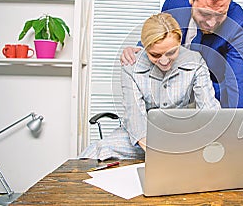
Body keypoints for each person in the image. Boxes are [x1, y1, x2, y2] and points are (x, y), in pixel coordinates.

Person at [79, 13, 221, 160]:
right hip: (143, 139)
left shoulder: (195, 61)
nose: (165, 61)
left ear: (179, 43)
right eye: (156, 55)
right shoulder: (131, 66)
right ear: (144, 47)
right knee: (98, 150)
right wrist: (159, 154)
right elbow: (135, 118)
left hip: (181, 135)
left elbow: (209, 109)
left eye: (172, 52)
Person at [120, 0, 243, 109]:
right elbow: (161, 33)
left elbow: (238, 83)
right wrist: (139, 51)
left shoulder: (240, 25)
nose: (211, 24)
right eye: (204, 14)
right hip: (172, 93)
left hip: (212, 99)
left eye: (220, 14)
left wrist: (241, 126)